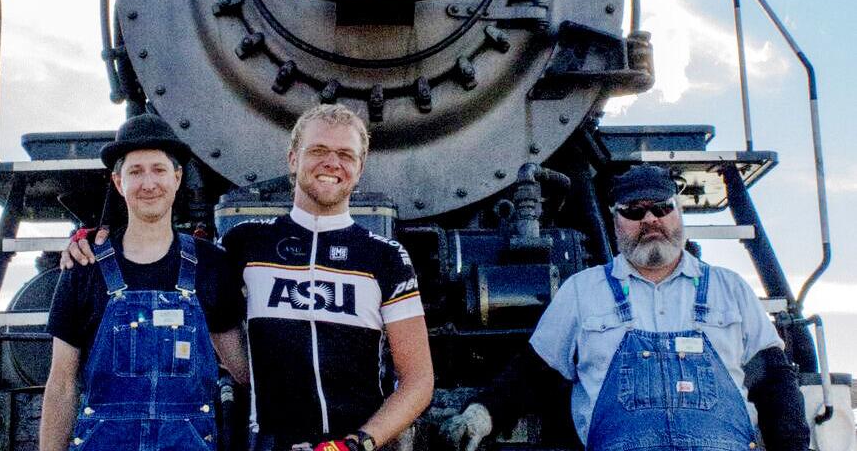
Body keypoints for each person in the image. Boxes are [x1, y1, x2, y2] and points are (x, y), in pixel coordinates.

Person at [66, 104, 434, 451]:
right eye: (318, 150)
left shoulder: (387, 257)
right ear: (293, 158)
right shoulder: (246, 242)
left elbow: (418, 380)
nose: (331, 162)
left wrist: (358, 442)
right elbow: (162, 258)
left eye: (345, 154)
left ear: (360, 165)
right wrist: (93, 240)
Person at [442, 164, 809, 451]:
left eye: (662, 208)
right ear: (615, 220)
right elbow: (533, 373)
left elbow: (774, 382)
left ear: (679, 212)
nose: (650, 220)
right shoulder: (582, 293)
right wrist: (482, 414)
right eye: (634, 212)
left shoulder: (730, 289)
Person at [40, 114, 249, 451]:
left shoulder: (211, 265)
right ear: (119, 182)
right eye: (135, 171)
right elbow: (62, 384)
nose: (148, 183)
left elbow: (244, 372)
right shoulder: (84, 267)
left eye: (159, 169)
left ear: (177, 178)